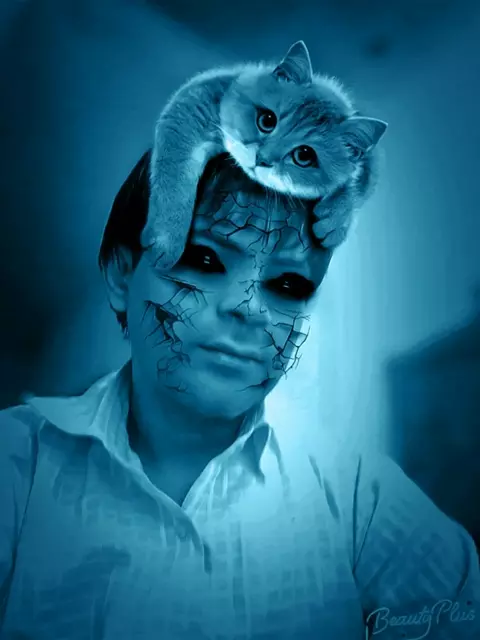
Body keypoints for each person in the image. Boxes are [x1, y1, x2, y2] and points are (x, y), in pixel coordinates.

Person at [0, 151, 478, 640]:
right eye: (205, 259)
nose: (247, 308)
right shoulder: (18, 467)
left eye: (288, 283)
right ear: (122, 274)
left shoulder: (357, 497)